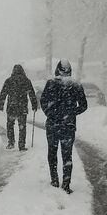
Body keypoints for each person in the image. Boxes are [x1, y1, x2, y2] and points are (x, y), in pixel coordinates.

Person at [39, 59, 88, 193]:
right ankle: (66, 185)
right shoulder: (76, 85)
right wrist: (72, 113)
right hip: (69, 125)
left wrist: (50, 113)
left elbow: (43, 101)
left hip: (53, 125)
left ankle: (54, 180)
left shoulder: (51, 83)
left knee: (52, 152)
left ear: (57, 69)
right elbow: (84, 105)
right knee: (67, 156)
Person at [0, 63, 38, 150]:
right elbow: (32, 94)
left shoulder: (9, 81)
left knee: (10, 125)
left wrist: (1, 105)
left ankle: (11, 142)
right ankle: (21, 145)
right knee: (22, 126)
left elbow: (3, 94)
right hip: (22, 107)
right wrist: (34, 105)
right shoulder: (26, 81)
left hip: (12, 106)